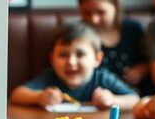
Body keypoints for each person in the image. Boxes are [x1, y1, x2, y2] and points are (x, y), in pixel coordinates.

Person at [11, 21, 140, 110]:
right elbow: (17, 94)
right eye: (63, 55)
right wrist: (39, 97)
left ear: (97, 59)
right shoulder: (50, 77)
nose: (71, 62)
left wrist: (112, 100)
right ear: (52, 59)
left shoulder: (102, 78)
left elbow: (134, 99)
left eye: (80, 54)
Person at [78, 0, 150, 93]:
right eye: (86, 12)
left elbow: (151, 60)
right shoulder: (78, 34)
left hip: (132, 99)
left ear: (115, 5)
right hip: (94, 101)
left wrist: (143, 69)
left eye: (101, 12)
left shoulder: (133, 29)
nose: (94, 19)